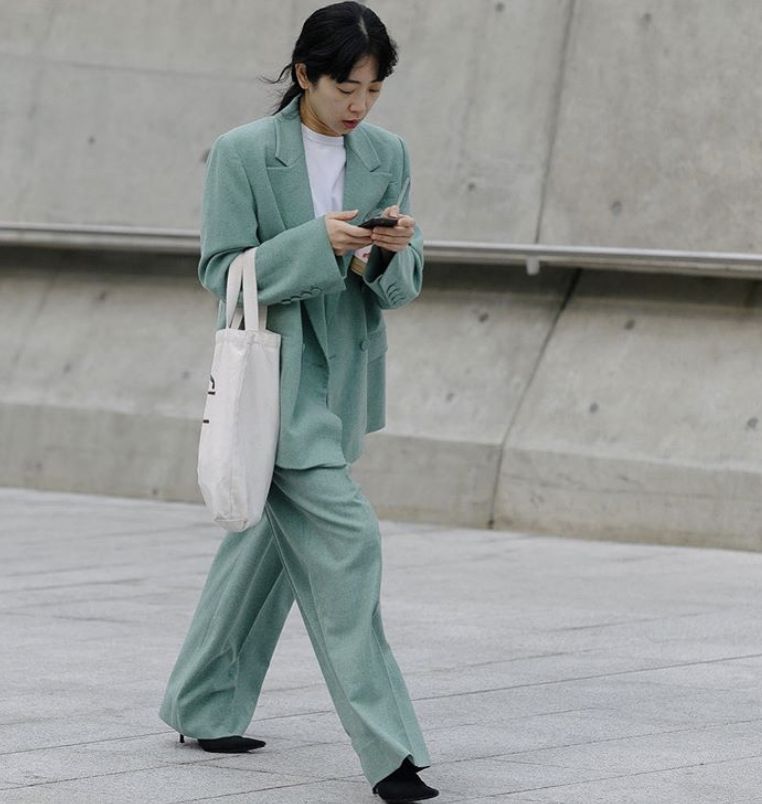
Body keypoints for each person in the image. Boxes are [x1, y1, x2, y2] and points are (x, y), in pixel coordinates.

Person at [158, 3, 438, 801]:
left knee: (265, 550)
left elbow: (403, 287)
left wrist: (389, 253)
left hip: (340, 385)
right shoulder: (245, 153)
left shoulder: (387, 153)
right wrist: (318, 244)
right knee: (347, 546)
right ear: (306, 73)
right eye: (346, 86)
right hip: (274, 389)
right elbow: (221, 271)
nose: (360, 104)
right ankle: (392, 753)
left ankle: (201, 702)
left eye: (375, 89)